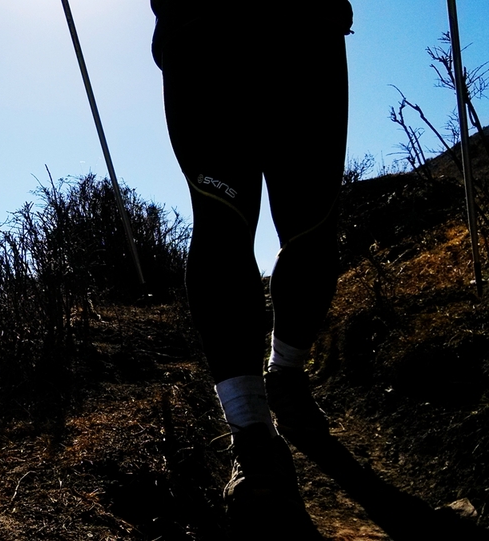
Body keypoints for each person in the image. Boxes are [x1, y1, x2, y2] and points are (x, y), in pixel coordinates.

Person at [151, 0, 353, 536]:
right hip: (207, 31)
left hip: (299, 27)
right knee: (223, 225)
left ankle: (284, 375)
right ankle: (253, 435)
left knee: (312, 231)